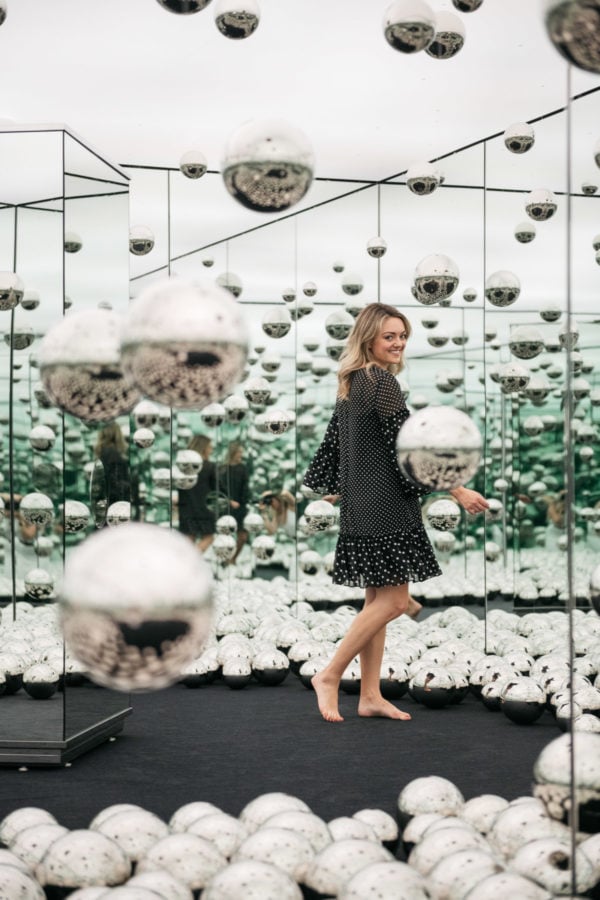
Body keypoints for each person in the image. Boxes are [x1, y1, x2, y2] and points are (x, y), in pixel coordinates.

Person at [303, 302, 489, 723]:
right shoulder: (381, 382)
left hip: (361, 503)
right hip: (385, 504)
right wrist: (456, 488)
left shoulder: (351, 382)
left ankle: (369, 695)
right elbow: (409, 445)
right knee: (395, 600)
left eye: (403, 336)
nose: (399, 344)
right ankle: (330, 675)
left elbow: (336, 444)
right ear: (368, 337)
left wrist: (337, 487)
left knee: (376, 599)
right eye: (390, 336)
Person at [178, 434, 217, 553]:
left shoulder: (182, 467)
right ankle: (192, 560)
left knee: (189, 539)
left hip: (186, 508)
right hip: (204, 509)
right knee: (209, 537)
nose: (211, 449)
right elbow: (217, 488)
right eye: (210, 447)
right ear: (203, 447)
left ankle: (186, 564)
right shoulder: (210, 467)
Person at [219, 441, 249, 563]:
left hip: (241, 508)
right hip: (227, 507)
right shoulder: (223, 469)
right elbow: (219, 488)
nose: (241, 454)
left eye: (242, 452)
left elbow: (245, 488)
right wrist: (229, 500)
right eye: (239, 452)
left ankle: (232, 559)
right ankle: (225, 559)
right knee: (226, 536)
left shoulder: (243, 468)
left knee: (243, 536)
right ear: (233, 453)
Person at [94, 423, 132, 507]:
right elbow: (116, 481)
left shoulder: (103, 451)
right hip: (116, 500)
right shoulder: (112, 453)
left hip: (107, 497)